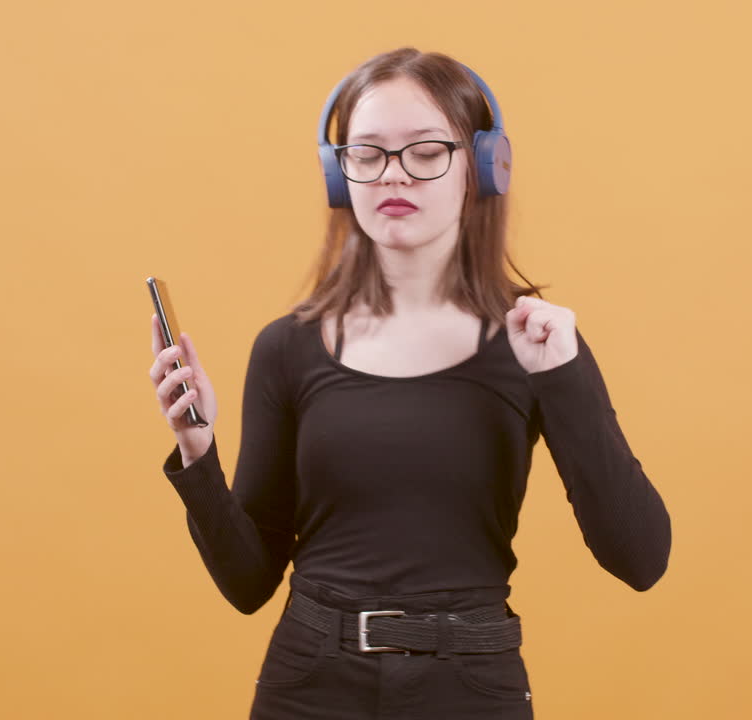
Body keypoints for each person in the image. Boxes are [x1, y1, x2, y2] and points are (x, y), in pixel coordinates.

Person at [147, 47, 671, 720]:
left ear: (482, 167)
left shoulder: (537, 342)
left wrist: (564, 380)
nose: (393, 174)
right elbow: (248, 583)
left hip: (471, 686)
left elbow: (640, 558)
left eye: (426, 152)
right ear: (339, 174)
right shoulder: (287, 348)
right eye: (367, 154)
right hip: (307, 685)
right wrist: (196, 449)